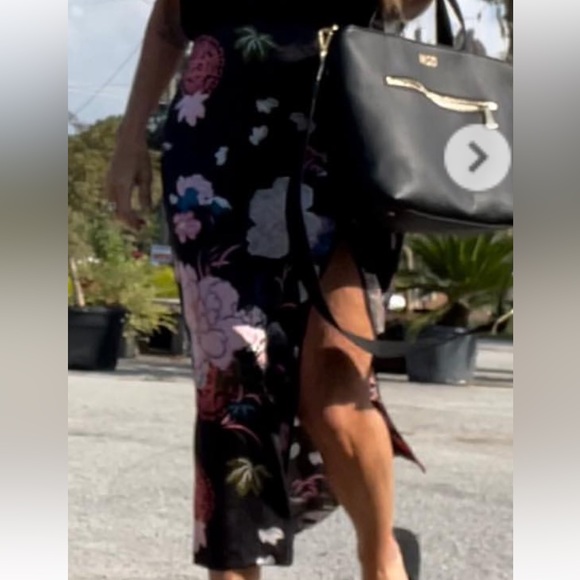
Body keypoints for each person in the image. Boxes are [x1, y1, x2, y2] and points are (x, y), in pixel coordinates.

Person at [106, 1, 434, 579]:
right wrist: (130, 136)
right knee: (231, 386)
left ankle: (381, 556)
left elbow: (405, 7)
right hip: (214, 140)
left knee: (335, 381)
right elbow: (169, 22)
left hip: (346, 132)